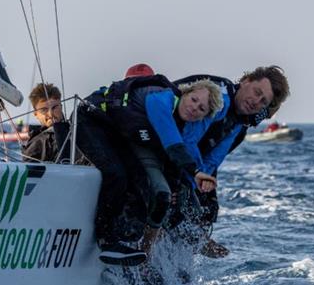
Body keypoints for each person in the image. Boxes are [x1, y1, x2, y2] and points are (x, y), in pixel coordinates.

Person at [75, 73, 220, 266]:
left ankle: (135, 245)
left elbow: (177, 155)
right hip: (90, 120)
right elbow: (172, 143)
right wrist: (195, 172)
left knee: (140, 180)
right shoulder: (162, 98)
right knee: (116, 174)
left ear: (203, 117)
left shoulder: (181, 121)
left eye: (201, 109)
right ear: (186, 93)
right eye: (194, 100)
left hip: (116, 134)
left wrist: (184, 184)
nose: (194, 108)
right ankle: (106, 240)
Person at [173, 66, 291, 256]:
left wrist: (202, 183)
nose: (256, 102)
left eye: (263, 102)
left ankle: (185, 250)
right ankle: (154, 247)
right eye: (257, 92)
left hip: (194, 159)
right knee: (173, 198)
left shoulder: (242, 121)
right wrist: (192, 177)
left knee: (208, 207)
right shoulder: (220, 97)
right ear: (245, 82)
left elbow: (213, 160)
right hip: (168, 144)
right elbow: (187, 140)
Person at [21, 83, 74, 163]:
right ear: (36, 114)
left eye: (55, 107)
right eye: (44, 110)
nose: (50, 114)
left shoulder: (77, 131)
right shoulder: (37, 142)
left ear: (61, 107)